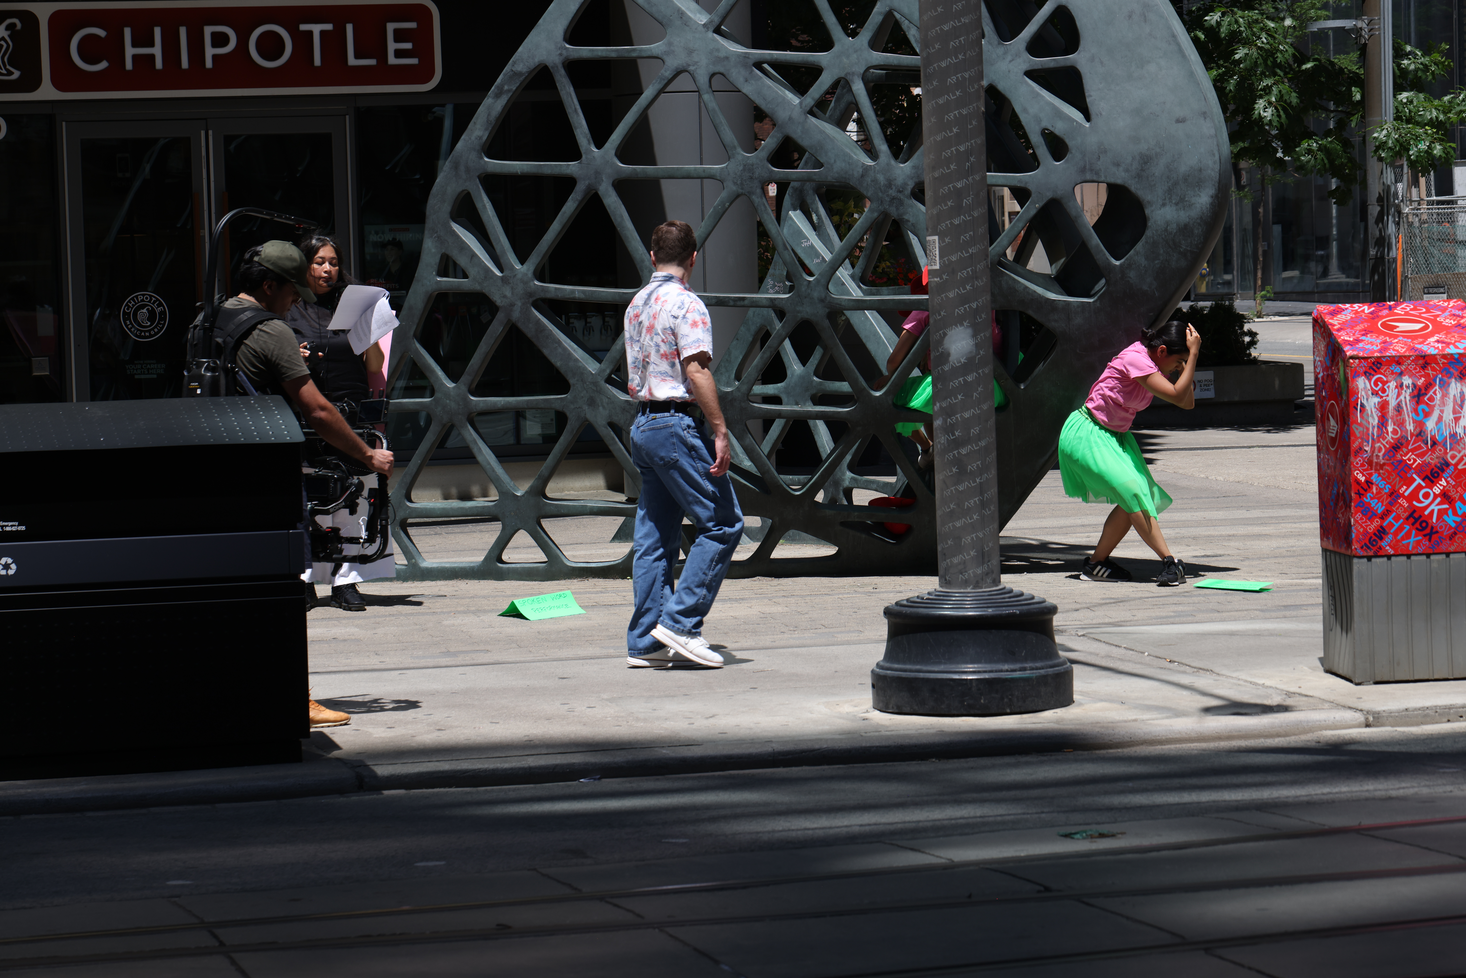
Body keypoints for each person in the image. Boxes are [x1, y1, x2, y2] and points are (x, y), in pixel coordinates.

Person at [228, 240, 395, 727]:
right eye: (291, 289)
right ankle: (293, 697)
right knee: (284, 585)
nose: (295, 300)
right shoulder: (271, 329)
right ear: (269, 285)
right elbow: (317, 410)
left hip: (226, 469)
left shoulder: (213, 321)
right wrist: (366, 453)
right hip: (270, 472)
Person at [623, 220, 744, 669]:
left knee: (654, 537)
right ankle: (680, 623)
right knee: (725, 523)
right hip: (675, 424)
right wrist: (719, 429)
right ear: (693, 258)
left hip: (642, 427)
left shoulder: (636, 304)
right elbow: (696, 371)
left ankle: (645, 641)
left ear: (652, 257)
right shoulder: (687, 304)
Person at [287, 234, 395, 612]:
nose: (327, 269)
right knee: (305, 500)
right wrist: (293, 353)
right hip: (306, 411)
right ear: (304, 266)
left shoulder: (353, 305)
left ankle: (346, 583)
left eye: (333, 262)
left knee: (352, 499)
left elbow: (372, 367)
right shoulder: (289, 308)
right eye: (319, 262)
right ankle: (304, 581)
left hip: (350, 409)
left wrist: (369, 335)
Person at [1058, 318, 1201, 586]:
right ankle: (1170, 561)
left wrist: (1188, 360)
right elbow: (1175, 395)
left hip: (1115, 437)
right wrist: (1192, 354)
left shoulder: (1155, 364)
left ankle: (1095, 564)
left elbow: (1187, 402)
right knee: (1134, 491)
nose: (1178, 369)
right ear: (1161, 352)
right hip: (1088, 434)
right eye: (1177, 362)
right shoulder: (1136, 359)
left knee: (1133, 498)